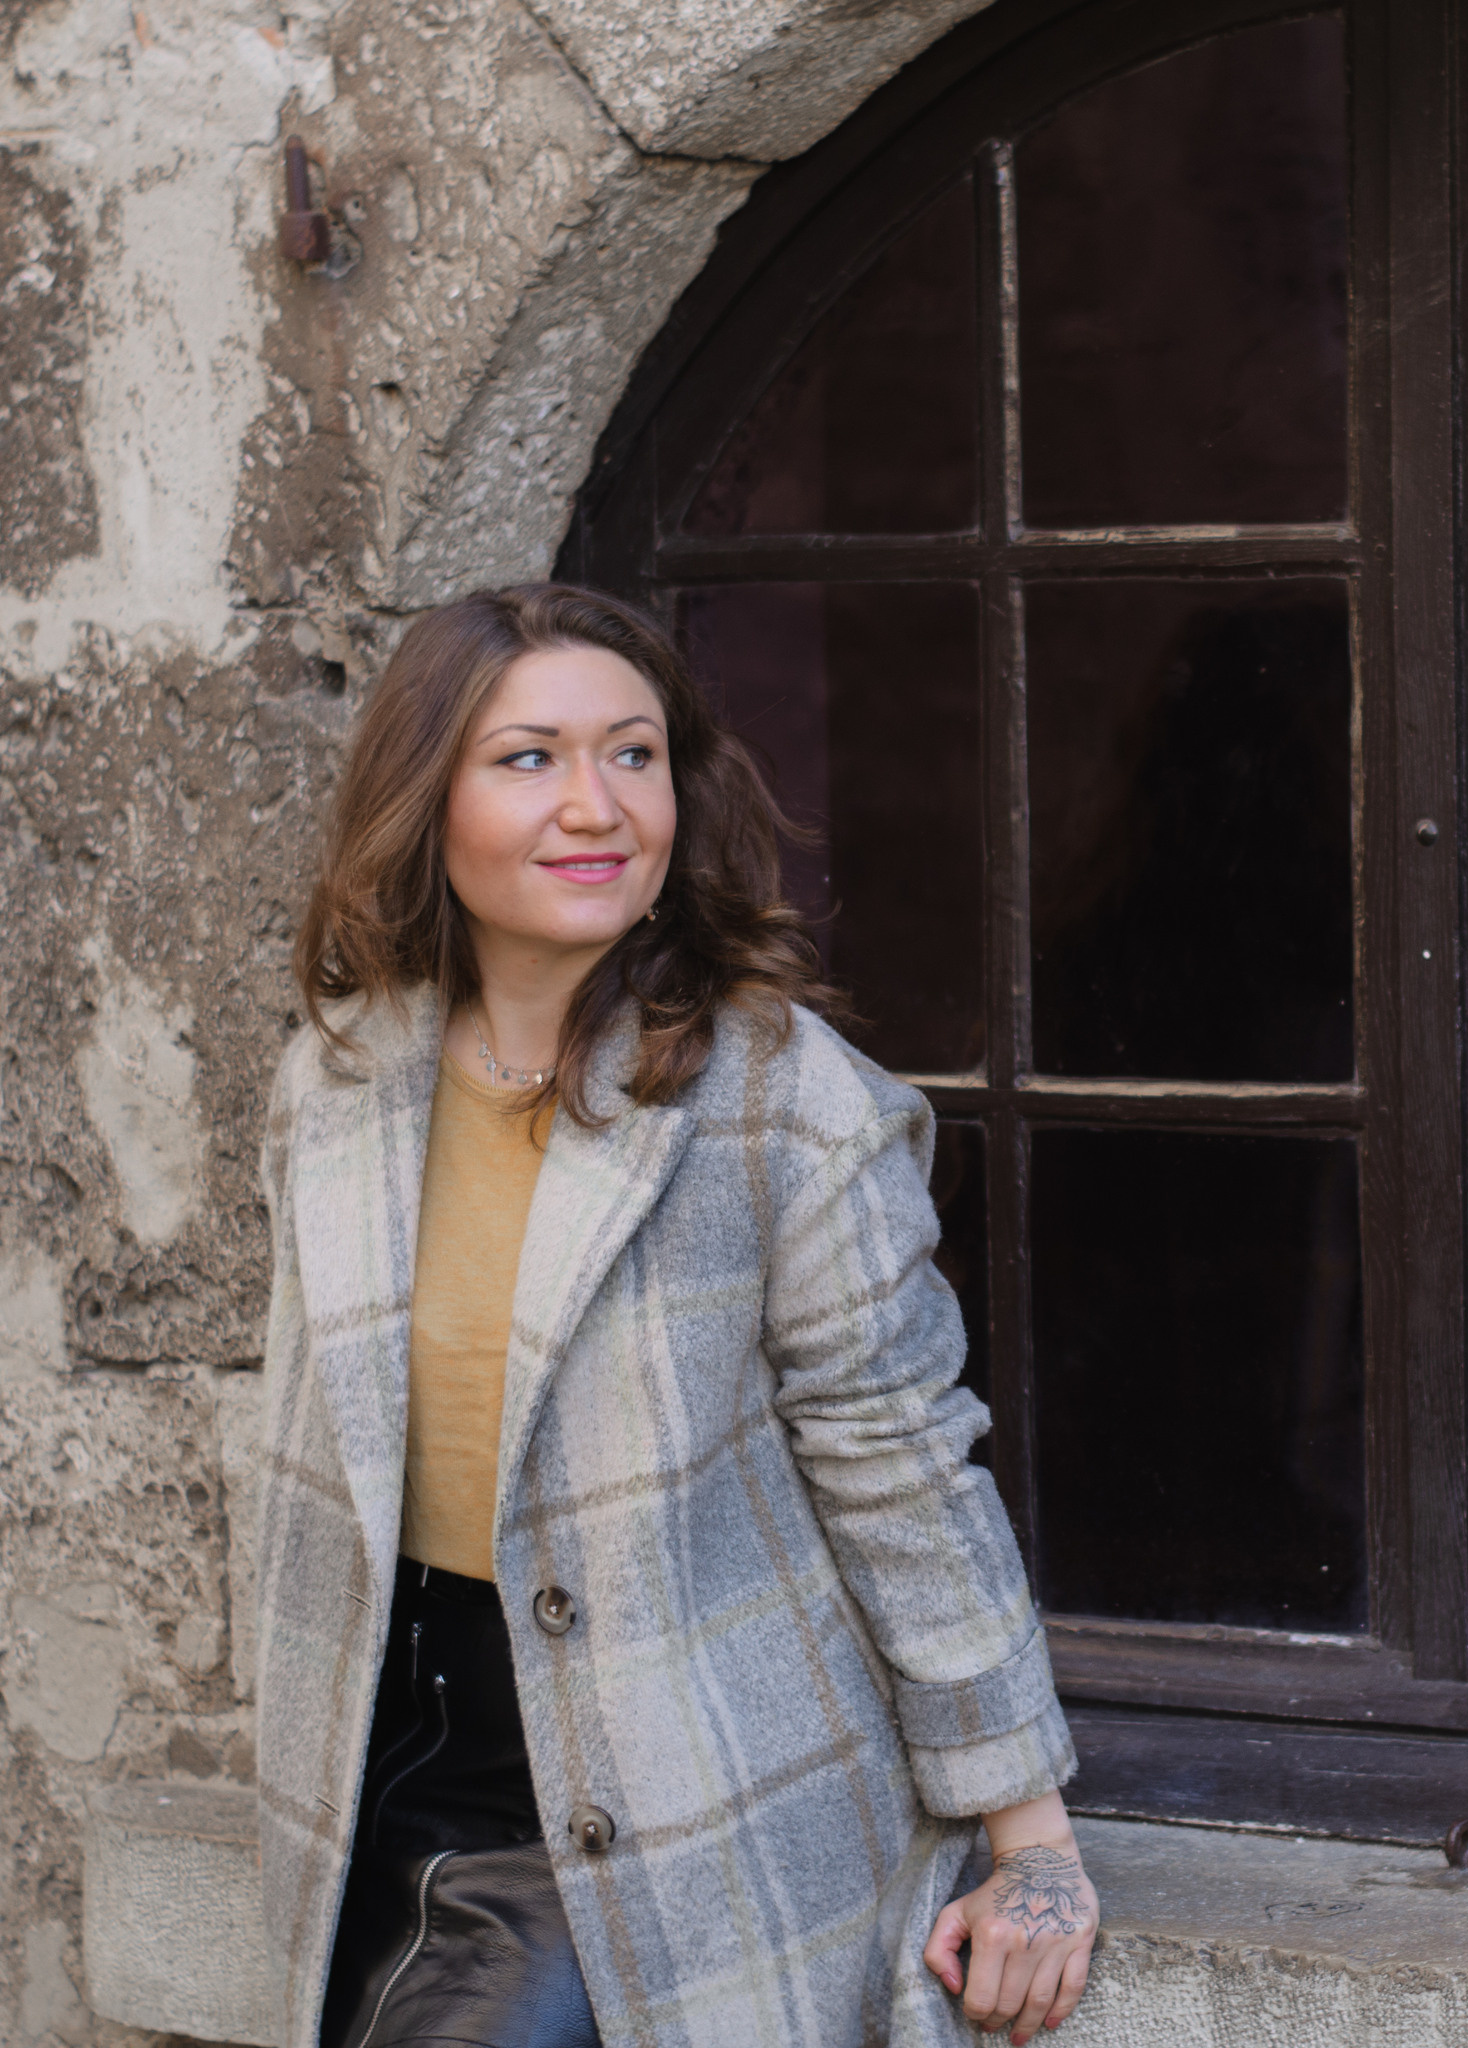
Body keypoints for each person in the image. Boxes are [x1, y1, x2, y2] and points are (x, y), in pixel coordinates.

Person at [254, 583, 1098, 2048]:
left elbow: (902, 1467)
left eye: (631, 754)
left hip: (652, 1796)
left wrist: (1029, 1839)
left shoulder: (781, 1105)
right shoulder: (337, 1082)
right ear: (425, 800)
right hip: (363, 1782)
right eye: (529, 759)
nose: (595, 805)